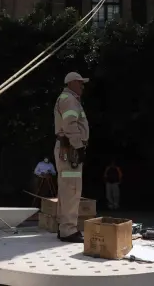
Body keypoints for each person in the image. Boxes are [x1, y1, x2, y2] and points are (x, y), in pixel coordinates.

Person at [53, 71, 90, 243]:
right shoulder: (69, 99)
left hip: (67, 148)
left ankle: (64, 228)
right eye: (80, 82)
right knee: (72, 190)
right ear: (72, 83)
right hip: (70, 149)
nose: (82, 86)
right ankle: (69, 230)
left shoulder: (67, 99)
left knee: (66, 189)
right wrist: (79, 146)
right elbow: (70, 125)